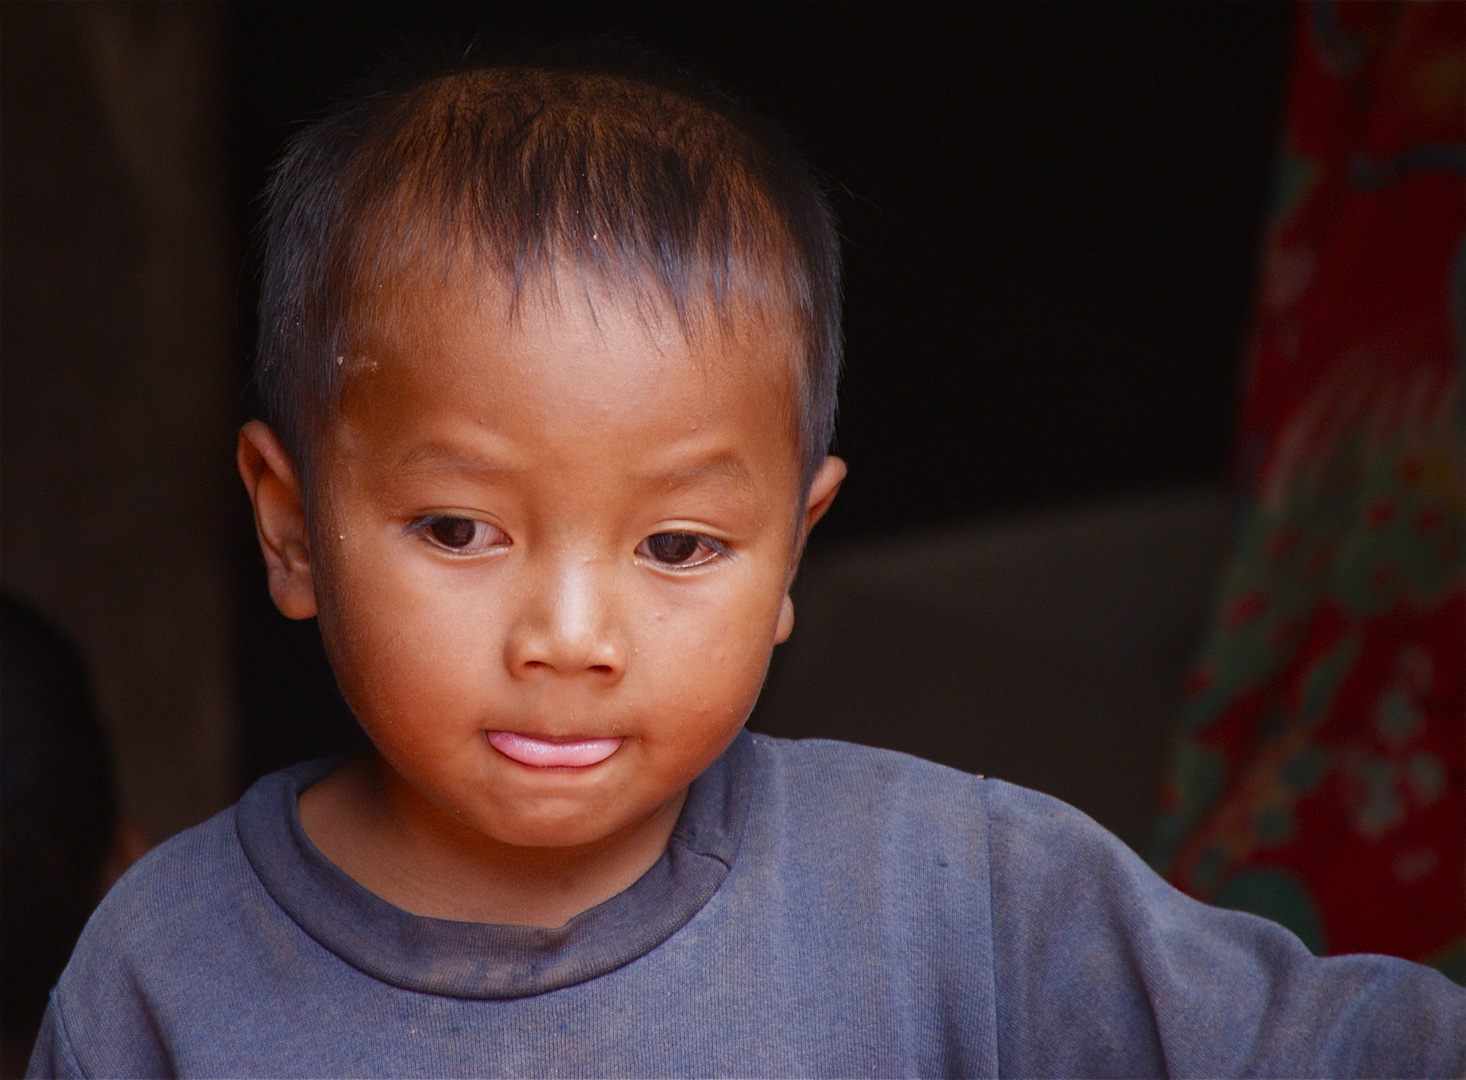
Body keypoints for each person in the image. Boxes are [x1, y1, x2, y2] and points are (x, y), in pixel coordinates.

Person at [27, 44, 1464, 1079]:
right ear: (290, 529)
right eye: (459, 529)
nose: (571, 634)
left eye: (676, 545)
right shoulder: (169, 967)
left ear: (792, 554)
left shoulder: (954, 892)